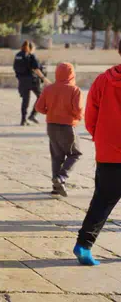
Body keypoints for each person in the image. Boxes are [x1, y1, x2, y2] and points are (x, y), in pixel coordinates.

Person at [73, 42, 121, 266]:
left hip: (108, 152)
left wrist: (101, 138)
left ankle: (84, 245)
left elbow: (91, 115)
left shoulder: (103, 79)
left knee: (101, 201)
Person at [34, 62, 83, 197]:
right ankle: (61, 177)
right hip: (67, 126)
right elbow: (77, 109)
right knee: (75, 154)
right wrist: (78, 118)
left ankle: (56, 188)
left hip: (51, 126)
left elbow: (38, 107)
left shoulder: (49, 89)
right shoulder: (74, 90)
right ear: (72, 74)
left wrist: (50, 112)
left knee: (57, 156)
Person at [15, 41, 51, 126]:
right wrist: (44, 78)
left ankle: (23, 120)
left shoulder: (18, 55)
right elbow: (36, 69)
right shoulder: (31, 56)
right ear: (31, 48)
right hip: (32, 80)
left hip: (22, 81)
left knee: (25, 100)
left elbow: (16, 68)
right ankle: (32, 115)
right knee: (41, 96)